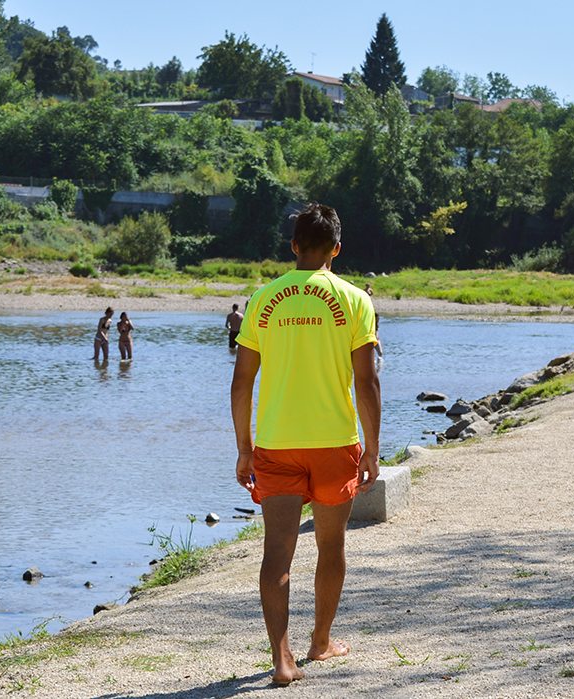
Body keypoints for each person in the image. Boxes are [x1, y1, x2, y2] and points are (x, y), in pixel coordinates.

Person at [231, 202, 381, 686]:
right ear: (336, 249)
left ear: (294, 246)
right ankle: (320, 641)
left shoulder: (261, 300)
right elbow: (367, 382)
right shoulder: (355, 299)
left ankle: (282, 659)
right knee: (330, 545)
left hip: (276, 443)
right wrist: (373, 450)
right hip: (336, 442)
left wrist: (244, 448)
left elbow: (241, 384)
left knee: (278, 551)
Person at [363, 283, 383, 358]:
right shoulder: (364, 290)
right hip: (370, 338)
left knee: (380, 353)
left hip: (375, 338)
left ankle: (379, 365)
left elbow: (372, 293)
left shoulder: (370, 290)